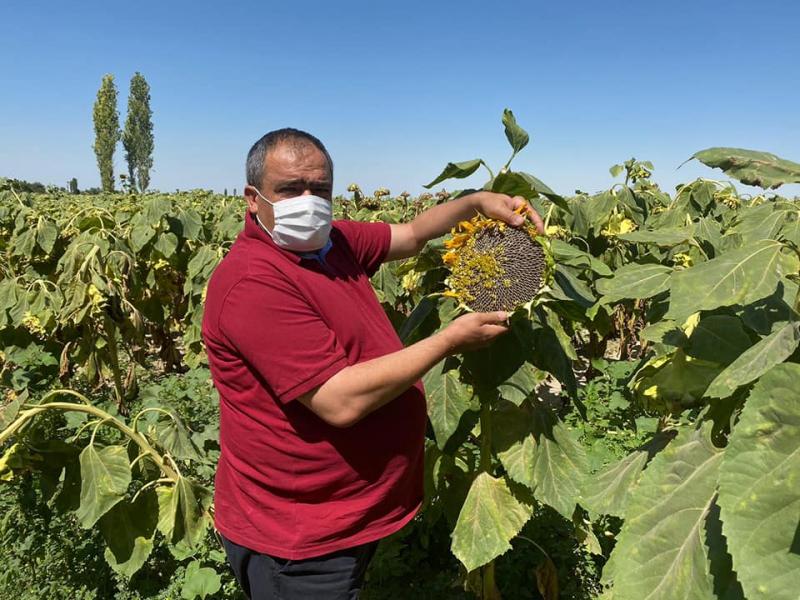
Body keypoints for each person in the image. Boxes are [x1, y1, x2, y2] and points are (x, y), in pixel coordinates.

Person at [201, 128, 544, 599]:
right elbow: (339, 400)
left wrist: (477, 203)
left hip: (345, 512)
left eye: (319, 189)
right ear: (253, 198)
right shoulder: (252, 283)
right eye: (290, 189)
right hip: (300, 538)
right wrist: (447, 341)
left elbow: (412, 234)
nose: (308, 201)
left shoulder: (331, 243)